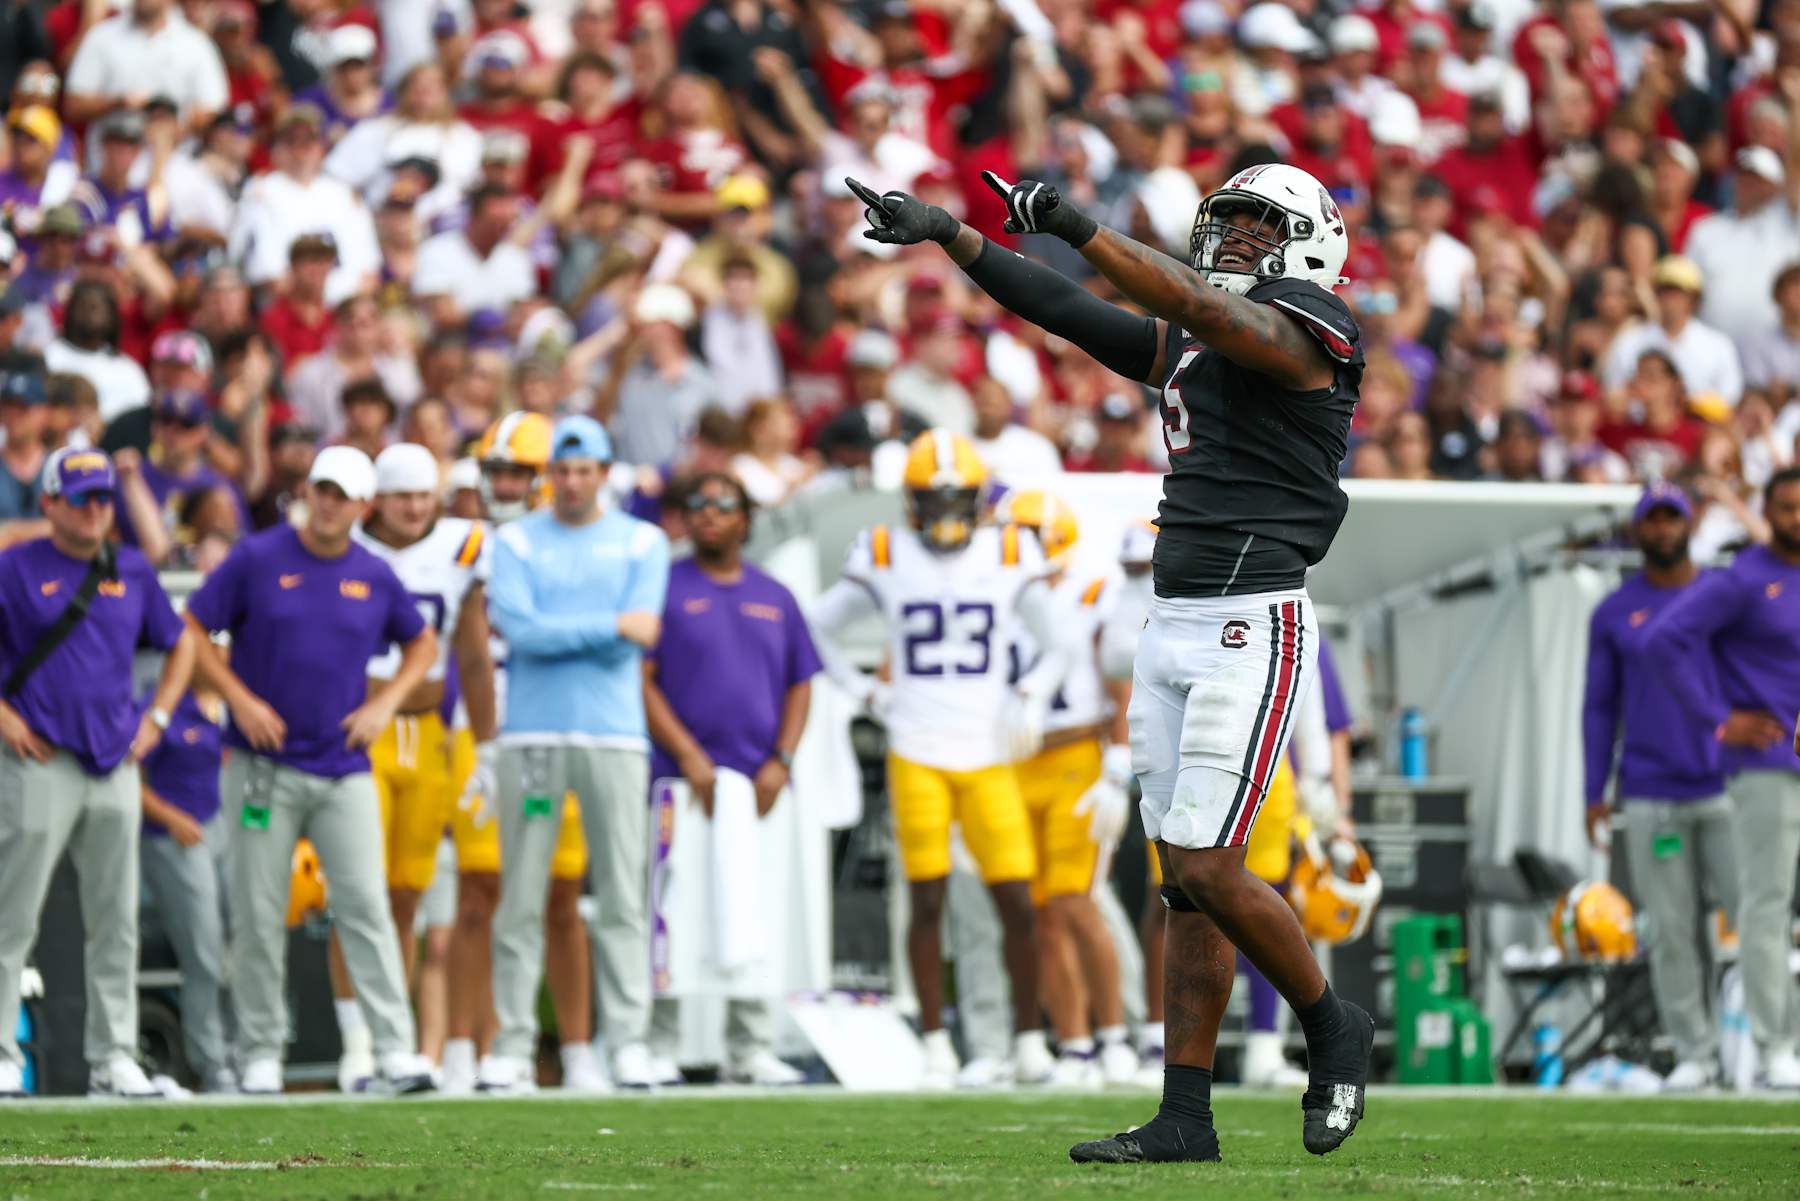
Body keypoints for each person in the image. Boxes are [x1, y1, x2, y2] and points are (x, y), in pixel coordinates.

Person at [845, 155, 1373, 1158]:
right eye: (1231, 221)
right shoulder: (1196, 333)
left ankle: (1329, 1021)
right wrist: (953, 233)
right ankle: (1186, 1113)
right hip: (1174, 620)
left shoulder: (1311, 323)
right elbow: (1062, 311)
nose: (1238, 240)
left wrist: (1083, 227)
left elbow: (1216, 316)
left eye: (1261, 226)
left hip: (1252, 617)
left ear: (1309, 240)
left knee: (1213, 866)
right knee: (1182, 877)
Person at [809, 429, 1063, 1088]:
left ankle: (1029, 1038)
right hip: (916, 745)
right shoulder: (886, 553)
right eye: (936, 498)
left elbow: (1058, 640)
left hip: (985, 749)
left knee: (1016, 898)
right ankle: (934, 1040)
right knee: (926, 900)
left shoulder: (1011, 549)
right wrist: (865, 689)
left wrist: (1031, 694)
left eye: (957, 498)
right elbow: (814, 627)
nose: (948, 514)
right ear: (914, 501)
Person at [182, 445, 439, 1096]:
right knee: (260, 908)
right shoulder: (257, 557)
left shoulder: (373, 573)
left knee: (367, 905)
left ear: (363, 505)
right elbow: (191, 626)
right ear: (309, 491)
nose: (328, 503)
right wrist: (238, 698)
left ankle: (394, 1048)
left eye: (342, 494)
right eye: (321, 489)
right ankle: (263, 1048)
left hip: (343, 762)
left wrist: (384, 703)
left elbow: (423, 642)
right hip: (261, 761)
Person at [0, 447, 198, 1098]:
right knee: (12, 914)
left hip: (111, 761)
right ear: (50, 502)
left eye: (103, 498)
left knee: (115, 919)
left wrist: (160, 718)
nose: (95, 510)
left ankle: (113, 1054)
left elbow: (183, 641)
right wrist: (4, 718)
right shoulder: (15, 566)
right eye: (81, 498)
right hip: (39, 757)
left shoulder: (132, 569)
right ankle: (2, 1051)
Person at [481, 415, 671, 1092]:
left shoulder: (641, 540)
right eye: (561, 470)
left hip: (615, 732)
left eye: (584, 469)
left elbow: (643, 630)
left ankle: (629, 1042)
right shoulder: (514, 540)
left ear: (604, 473)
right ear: (547, 476)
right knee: (521, 896)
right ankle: (511, 1042)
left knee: (622, 894)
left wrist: (577, 630)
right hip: (532, 731)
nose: (571, 481)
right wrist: (606, 626)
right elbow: (519, 629)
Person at [325, 443, 500, 1088]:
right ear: (374, 500)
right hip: (357, 732)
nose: (415, 508)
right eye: (402, 497)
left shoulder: (462, 546)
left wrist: (485, 744)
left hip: (428, 734)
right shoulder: (343, 544)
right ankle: (356, 1042)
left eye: (424, 496)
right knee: (356, 894)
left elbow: (475, 654)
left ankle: (391, 1037)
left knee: (405, 898)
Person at [642, 472, 818, 1086]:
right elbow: (641, 679)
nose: (709, 514)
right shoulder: (663, 586)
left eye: (722, 504)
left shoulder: (776, 594)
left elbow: (802, 681)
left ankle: (752, 1044)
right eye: (698, 503)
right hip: (679, 780)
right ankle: (659, 1044)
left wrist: (783, 760)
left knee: (756, 905)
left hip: (760, 783)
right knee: (671, 904)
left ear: (745, 519)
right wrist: (687, 754)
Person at [443, 412, 601, 1095]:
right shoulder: (461, 545)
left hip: (558, 723)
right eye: (497, 471)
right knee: (478, 894)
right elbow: (458, 646)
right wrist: (481, 739)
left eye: (518, 472)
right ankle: (461, 1050)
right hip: (481, 729)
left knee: (562, 898)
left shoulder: (581, 545)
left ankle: (577, 1048)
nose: (505, 484)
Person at [1646, 467, 1800, 1089]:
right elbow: (1664, 639)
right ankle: (1774, 1048)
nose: (1797, 517)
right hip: (1766, 766)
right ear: (1767, 512)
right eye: (1786, 507)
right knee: (1767, 905)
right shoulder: (1743, 580)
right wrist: (1718, 718)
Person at [1583, 483, 1738, 1092]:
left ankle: (1776, 1047)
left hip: (1729, 780)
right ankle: (1696, 1052)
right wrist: (1594, 789)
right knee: (1672, 930)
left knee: (1758, 920)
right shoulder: (1615, 610)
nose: (1665, 529)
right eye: (1654, 519)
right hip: (1650, 787)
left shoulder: (1725, 598)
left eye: (1675, 517)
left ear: (1691, 522)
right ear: (1638, 529)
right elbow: (1598, 707)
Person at [996, 489, 1137, 1087]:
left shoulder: (1093, 590)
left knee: (1078, 902)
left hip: (1078, 754)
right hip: (1012, 761)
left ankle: (1115, 1039)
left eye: (1020, 533)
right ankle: (1074, 1045)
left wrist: (1118, 761)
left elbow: (1121, 679)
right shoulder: (995, 592)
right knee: (1039, 913)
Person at [137, 549, 235, 1093]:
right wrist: (170, 817)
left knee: (242, 946)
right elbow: (129, 773)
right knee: (201, 950)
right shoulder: (162, 703)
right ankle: (211, 1060)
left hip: (227, 833)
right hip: (179, 835)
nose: (215, 650)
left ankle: (247, 1049)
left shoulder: (238, 705)